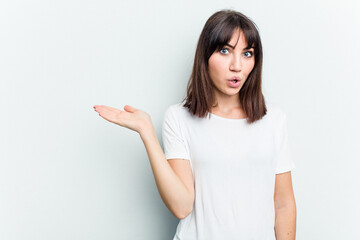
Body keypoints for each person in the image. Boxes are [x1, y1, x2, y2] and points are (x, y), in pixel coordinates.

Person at [93, 9, 296, 240]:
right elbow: (181, 206)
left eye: (247, 53)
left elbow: (283, 204)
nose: (237, 66)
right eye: (224, 51)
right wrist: (147, 132)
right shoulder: (179, 118)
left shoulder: (274, 119)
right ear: (205, 56)